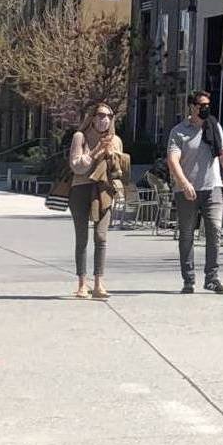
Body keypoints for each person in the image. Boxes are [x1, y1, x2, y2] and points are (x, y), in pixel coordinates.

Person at [166, 89, 223, 295]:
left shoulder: (214, 127)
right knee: (187, 234)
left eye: (208, 105)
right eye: (201, 105)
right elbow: (173, 160)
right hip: (187, 191)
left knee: (214, 231)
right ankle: (188, 279)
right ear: (192, 107)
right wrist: (184, 183)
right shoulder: (179, 131)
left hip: (212, 187)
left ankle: (212, 278)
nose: (205, 109)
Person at [67, 102, 129, 300]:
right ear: (92, 118)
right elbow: (77, 166)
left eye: (109, 116)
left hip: (104, 190)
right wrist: (95, 152)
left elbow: (119, 172)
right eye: (101, 115)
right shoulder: (80, 137)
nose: (105, 120)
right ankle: (81, 284)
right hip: (81, 189)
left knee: (101, 237)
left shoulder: (115, 140)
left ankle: (99, 283)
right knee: (82, 237)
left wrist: (112, 156)